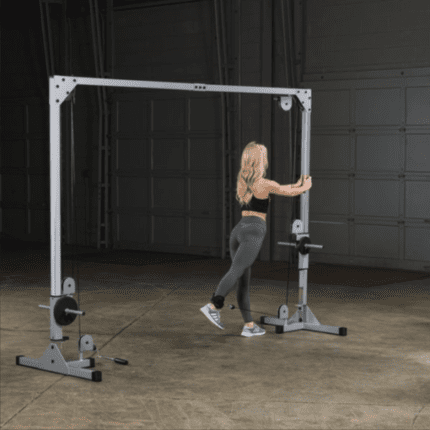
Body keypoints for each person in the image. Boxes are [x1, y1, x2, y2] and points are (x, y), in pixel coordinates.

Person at [200, 141, 312, 337]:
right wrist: (306, 184)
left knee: (243, 279)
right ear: (260, 161)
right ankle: (214, 304)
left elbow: (287, 187)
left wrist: (300, 183)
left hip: (238, 230)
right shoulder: (265, 183)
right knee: (236, 271)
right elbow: (290, 191)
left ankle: (249, 326)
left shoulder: (243, 181)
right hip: (254, 230)